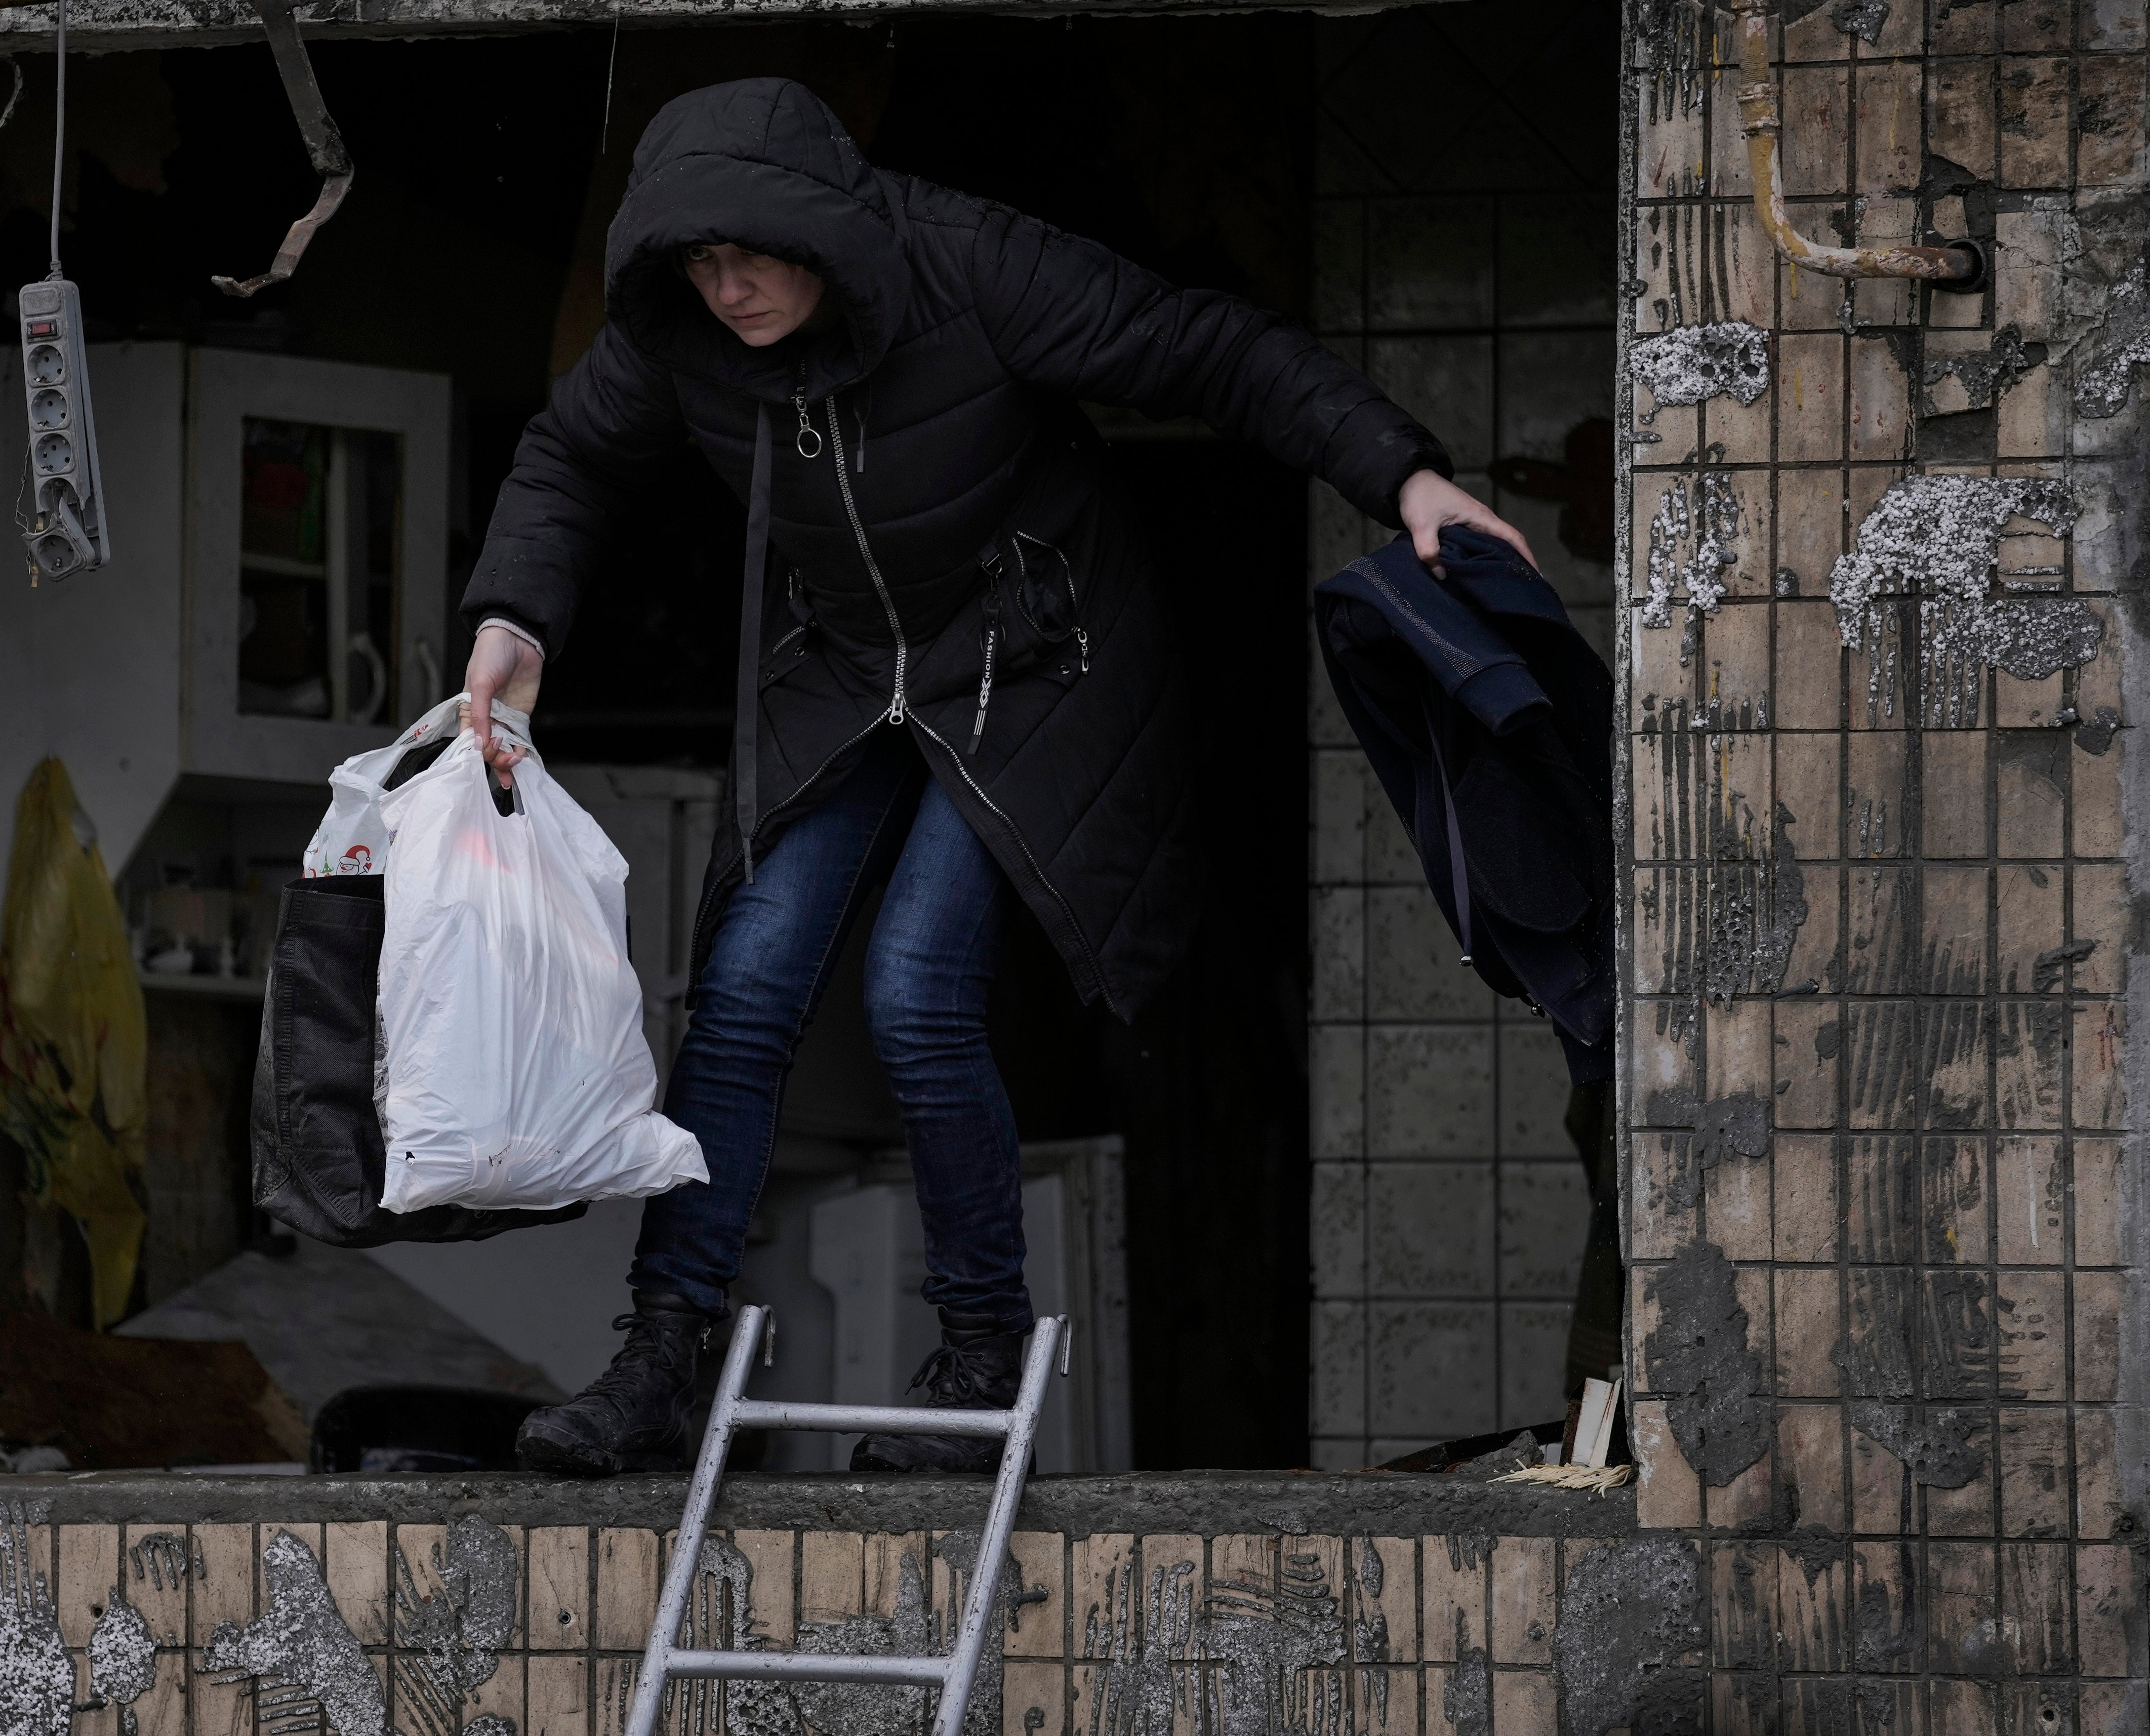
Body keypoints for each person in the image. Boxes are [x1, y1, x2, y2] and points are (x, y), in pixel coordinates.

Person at [461, 76, 1531, 1476]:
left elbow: (1203, 347)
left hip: (1032, 658)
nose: (728, 291)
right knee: (739, 991)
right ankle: (664, 1356)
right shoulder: (681, 335)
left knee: (915, 991)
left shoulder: (969, 265)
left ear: (821, 232)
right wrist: (512, 619)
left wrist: (1403, 480)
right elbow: (568, 456)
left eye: (753, 255)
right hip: (844, 664)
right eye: (699, 265)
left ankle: (975, 1362)